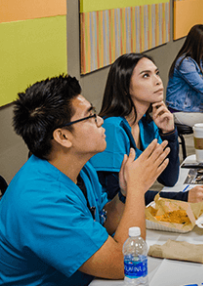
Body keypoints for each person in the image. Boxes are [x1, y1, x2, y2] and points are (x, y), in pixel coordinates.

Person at [0, 75, 170, 285]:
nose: (100, 121)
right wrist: (137, 189)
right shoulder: (41, 202)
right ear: (63, 137)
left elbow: (102, 221)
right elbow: (126, 266)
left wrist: (125, 194)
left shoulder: (79, 167)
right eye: (90, 116)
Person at [90, 53, 203, 204]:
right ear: (125, 87)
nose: (158, 81)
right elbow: (119, 197)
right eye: (146, 76)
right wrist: (182, 198)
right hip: (109, 219)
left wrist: (169, 133)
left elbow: (169, 178)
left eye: (157, 73)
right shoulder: (113, 128)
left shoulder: (147, 123)